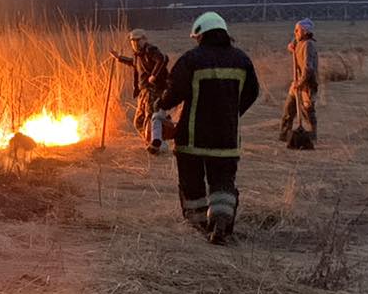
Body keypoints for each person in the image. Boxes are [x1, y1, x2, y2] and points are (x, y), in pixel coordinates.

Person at [155, 12, 259, 243]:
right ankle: (220, 222)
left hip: (192, 138)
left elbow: (174, 92)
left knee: (192, 185)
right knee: (223, 183)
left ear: (200, 35)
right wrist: (232, 112)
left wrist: (160, 105)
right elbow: (252, 93)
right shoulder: (242, 60)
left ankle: (198, 227)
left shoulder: (191, 60)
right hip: (227, 141)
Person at [110, 29, 170, 154]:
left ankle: (157, 144)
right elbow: (134, 64)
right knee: (139, 121)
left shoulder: (150, 50)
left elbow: (162, 59)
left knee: (151, 118)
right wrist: (119, 58)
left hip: (153, 90)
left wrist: (153, 75)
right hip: (144, 91)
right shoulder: (138, 55)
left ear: (144, 39)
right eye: (133, 40)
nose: (136, 43)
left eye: (138, 40)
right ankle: (152, 140)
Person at [279, 18, 319, 144]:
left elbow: (309, 68)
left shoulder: (308, 45)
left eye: (297, 30)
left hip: (307, 83)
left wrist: (300, 83)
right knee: (288, 109)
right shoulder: (299, 42)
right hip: (297, 82)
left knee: (307, 111)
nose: (295, 32)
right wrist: (291, 45)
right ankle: (284, 135)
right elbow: (292, 45)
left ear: (304, 31)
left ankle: (311, 136)